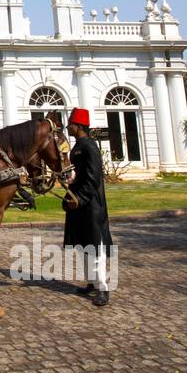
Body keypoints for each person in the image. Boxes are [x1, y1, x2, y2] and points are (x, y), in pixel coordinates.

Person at [62, 108, 114, 307]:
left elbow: (93, 179)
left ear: (79, 126)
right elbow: (77, 176)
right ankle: (91, 282)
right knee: (84, 245)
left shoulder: (90, 147)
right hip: (80, 203)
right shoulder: (77, 147)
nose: (69, 128)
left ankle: (103, 287)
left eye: (71, 124)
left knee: (96, 246)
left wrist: (80, 198)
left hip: (92, 204)